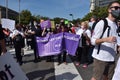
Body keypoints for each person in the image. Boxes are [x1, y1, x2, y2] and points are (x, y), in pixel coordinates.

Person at [91, 1, 120, 80]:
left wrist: (117, 47)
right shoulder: (102, 23)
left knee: (107, 78)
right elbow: (92, 41)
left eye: (119, 8)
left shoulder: (116, 24)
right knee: (96, 78)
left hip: (112, 57)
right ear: (109, 10)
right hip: (101, 58)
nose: (118, 10)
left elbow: (116, 40)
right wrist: (105, 39)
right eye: (116, 8)